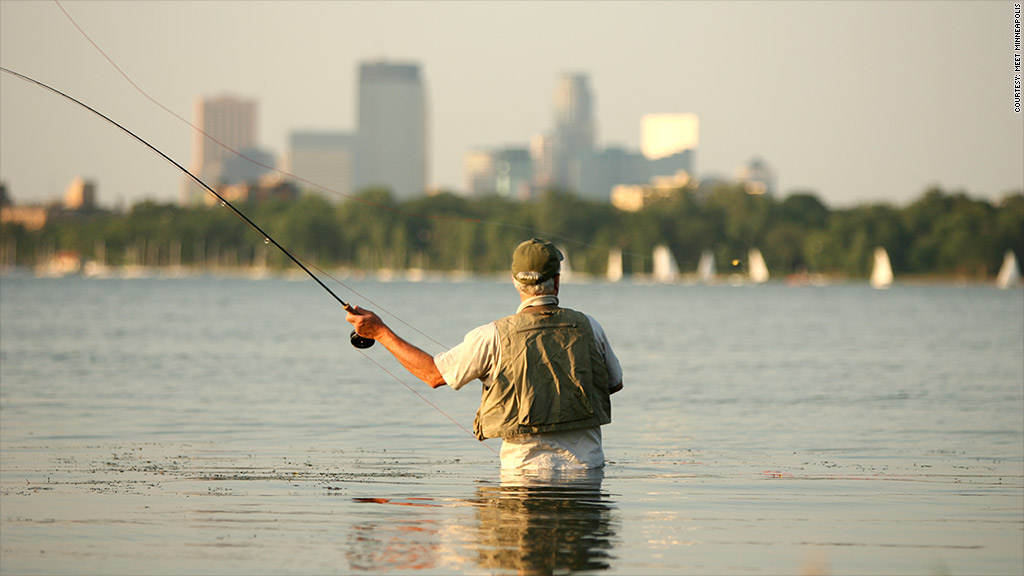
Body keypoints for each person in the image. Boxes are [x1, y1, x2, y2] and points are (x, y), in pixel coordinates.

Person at [345, 237, 624, 470]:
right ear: (557, 281)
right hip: (588, 473)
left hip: (522, 476)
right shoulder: (591, 327)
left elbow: (432, 374)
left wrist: (380, 333)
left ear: (516, 282)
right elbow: (614, 384)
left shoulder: (491, 336)